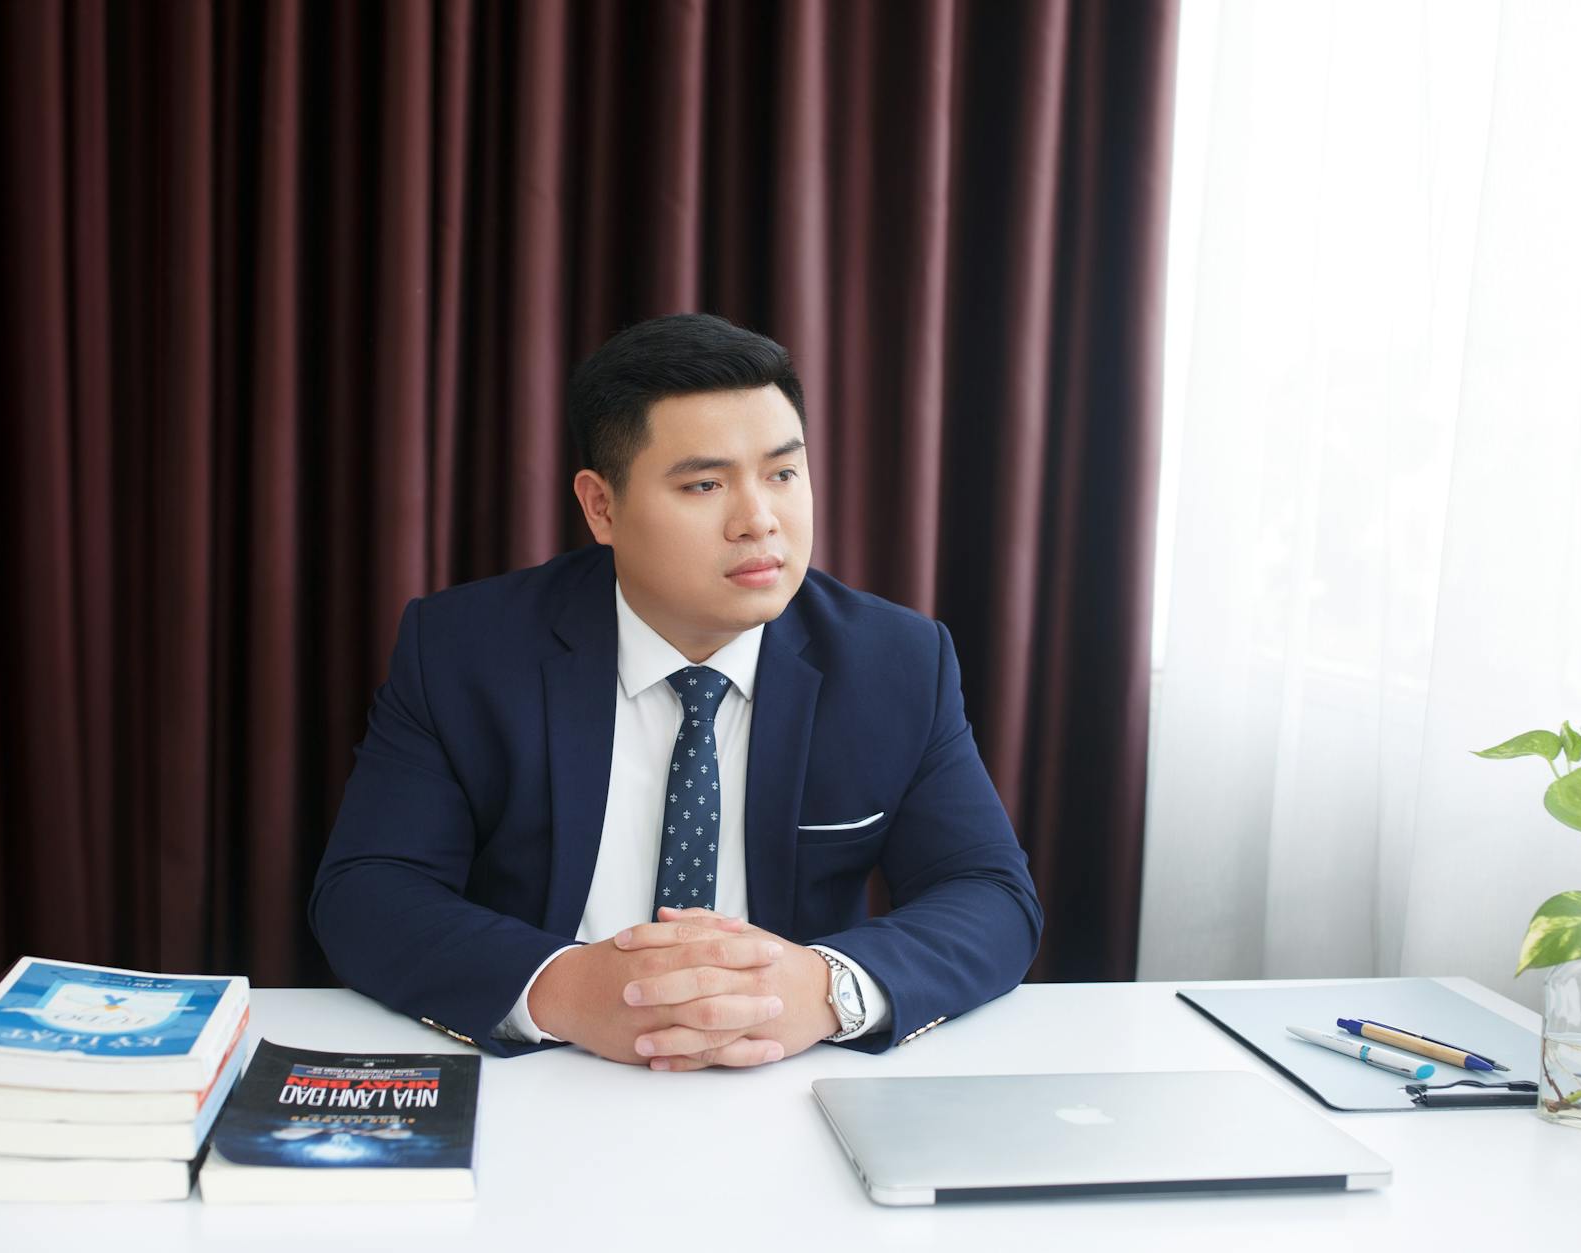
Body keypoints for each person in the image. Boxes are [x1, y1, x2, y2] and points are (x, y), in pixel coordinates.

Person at [310, 313, 1041, 1069]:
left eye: (783, 473)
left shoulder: (896, 661)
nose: (759, 520)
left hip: (789, 1078)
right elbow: (368, 889)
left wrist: (824, 988)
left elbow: (990, 894)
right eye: (704, 483)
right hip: (552, 1078)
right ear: (601, 506)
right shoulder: (465, 649)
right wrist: (562, 987)